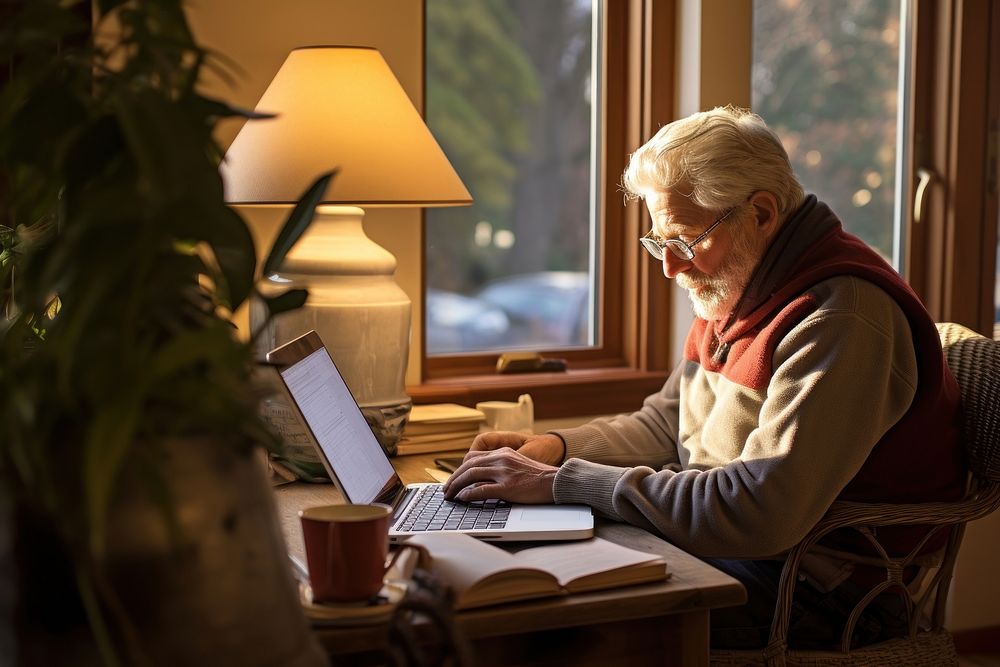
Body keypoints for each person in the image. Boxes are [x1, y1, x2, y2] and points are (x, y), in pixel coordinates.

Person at [443, 106, 966, 649]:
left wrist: (565, 483)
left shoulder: (840, 318)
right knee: (508, 581)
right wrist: (551, 449)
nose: (670, 266)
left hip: (819, 594)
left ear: (761, 213)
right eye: (659, 243)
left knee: (550, 621)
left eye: (685, 239)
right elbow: (667, 425)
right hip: (741, 555)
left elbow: (761, 514)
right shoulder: (741, 289)